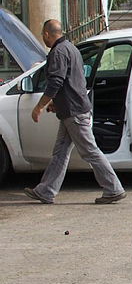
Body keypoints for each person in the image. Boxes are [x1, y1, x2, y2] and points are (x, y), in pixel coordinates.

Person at [24, 19, 126, 205]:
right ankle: (46, 191)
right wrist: (57, 102)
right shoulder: (71, 49)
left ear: (47, 34)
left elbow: (56, 81)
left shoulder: (58, 52)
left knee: (89, 151)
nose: (44, 40)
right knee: (60, 152)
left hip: (75, 112)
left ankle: (114, 188)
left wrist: (39, 106)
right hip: (71, 110)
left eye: (43, 36)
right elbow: (72, 81)